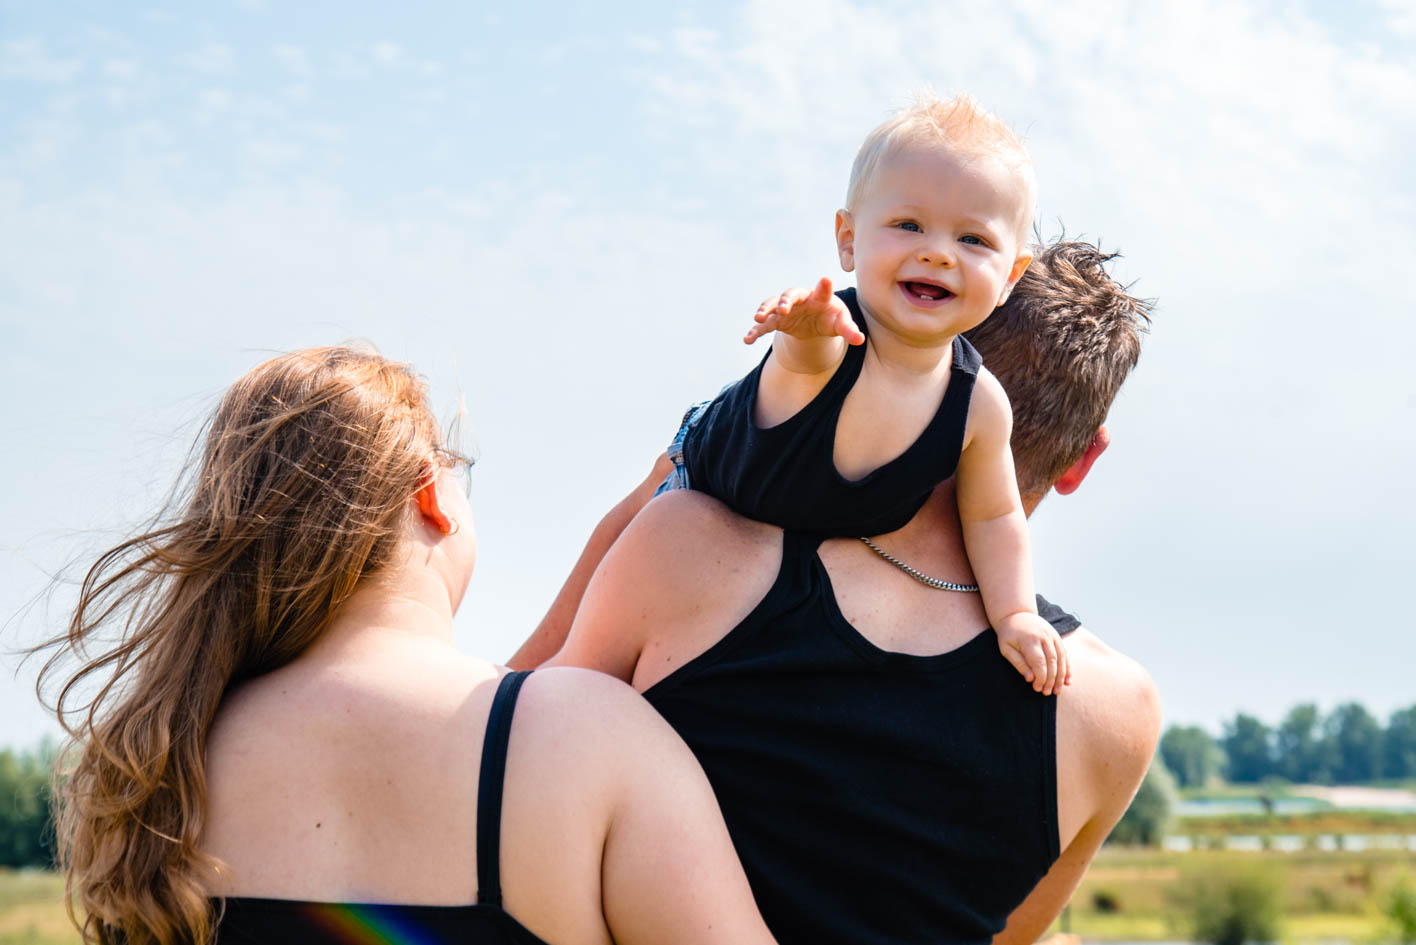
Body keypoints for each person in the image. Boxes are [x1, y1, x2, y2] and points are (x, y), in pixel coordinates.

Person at [512, 238, 1162, 944]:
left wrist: (683, 462)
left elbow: (510, 742)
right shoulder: (1115, 715)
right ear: (1083, 459)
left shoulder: (692, 548)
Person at [33, 347, 777, 945]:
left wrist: (617, 543)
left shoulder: (164, 761)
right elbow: (501, 714)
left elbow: (496, 692)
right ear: (430, 492)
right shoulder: (590, 739)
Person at [659, 93, 1067, 694]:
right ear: (848, 240)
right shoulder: (830, 331)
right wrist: (801, 333)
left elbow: (995, 513)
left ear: (1009, 277)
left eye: (974, 240)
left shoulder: (979, 404)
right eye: (908, 225)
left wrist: (1015, 614)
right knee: (616, 621)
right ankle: (551, 683)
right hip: (706, 476)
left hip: (801, 531)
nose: (937, 251)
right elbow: (808, 368)